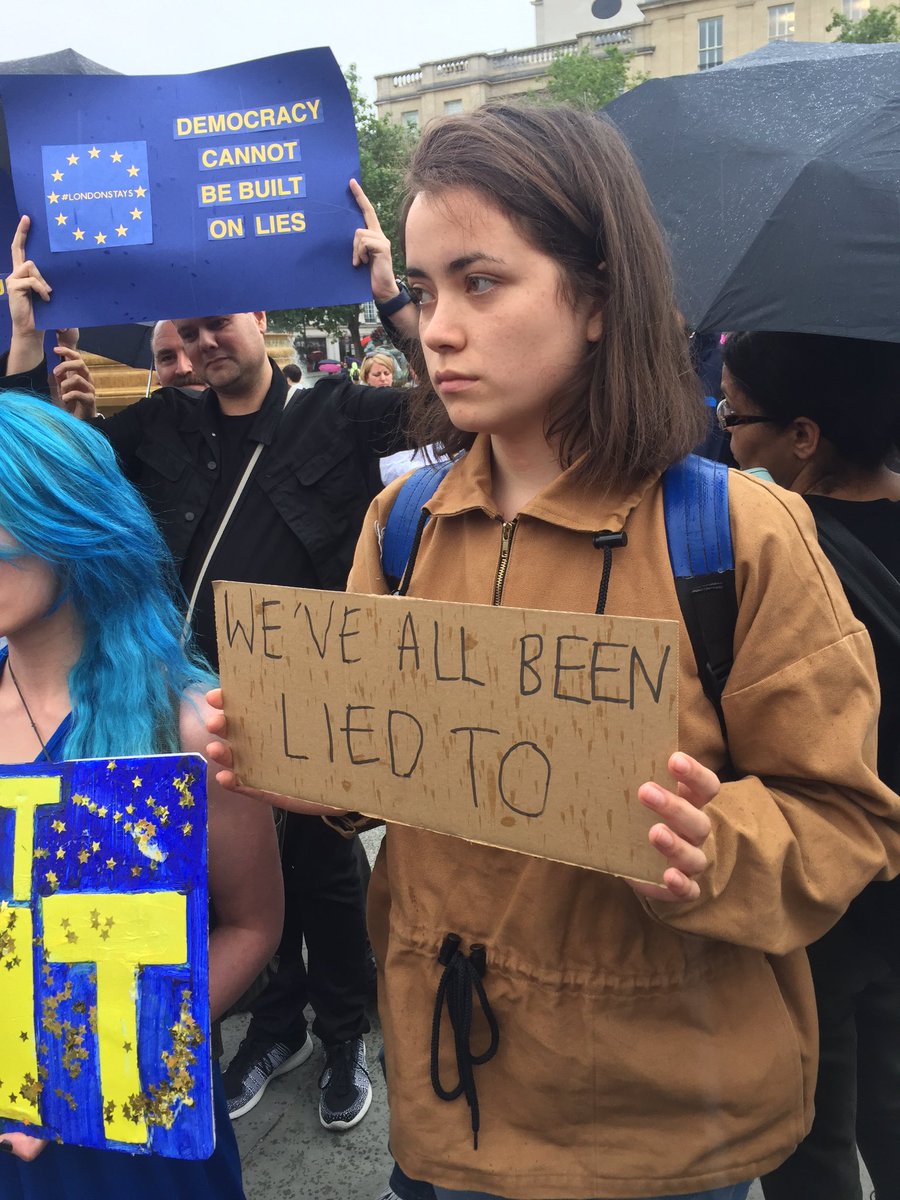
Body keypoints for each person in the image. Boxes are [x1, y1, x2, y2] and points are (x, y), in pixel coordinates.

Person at [207, 104, 900, 1200]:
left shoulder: (740, 537)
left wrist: (711, 847)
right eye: (426, 290)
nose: (436, 328)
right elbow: (372, 785)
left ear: (596, 296)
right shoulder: (405, 525)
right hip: (442, 1114)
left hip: (658, 1141)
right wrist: (285, 751)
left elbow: (848, 822)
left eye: (481, 282)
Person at [2, 181, 420, 1132]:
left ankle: (344, 1034)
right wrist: (27, 348)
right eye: (173, 344)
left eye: (210, 328)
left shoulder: (342, 415)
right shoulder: (152, 428)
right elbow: (37, 481)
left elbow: (448, 414)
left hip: (310, 699)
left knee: (321, 874)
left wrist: (392, 296)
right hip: (181, 698)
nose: (192, 352)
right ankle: (274, 1026)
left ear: (259, 314)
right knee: (221, 882)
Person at [0, 389, 282, 1198]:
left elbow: (254, 924)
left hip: (134, 1137)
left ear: (69, 520)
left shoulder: (192, 724)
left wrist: (82, 1076)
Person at [717, 330, 900, 1200]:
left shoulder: (772, 551)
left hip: (821, 889)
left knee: (808, 1130)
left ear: (803, 437)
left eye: (733, 412)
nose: (724, 433)